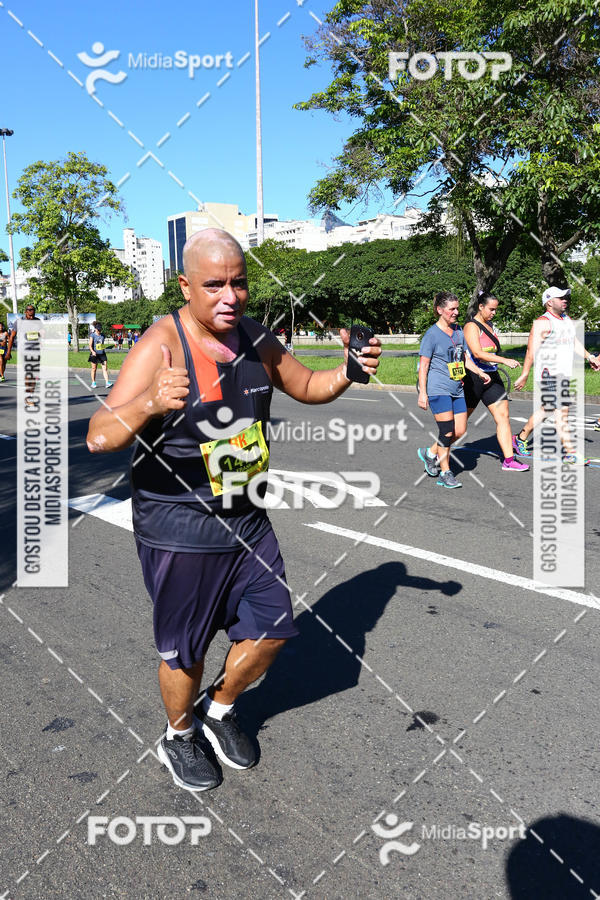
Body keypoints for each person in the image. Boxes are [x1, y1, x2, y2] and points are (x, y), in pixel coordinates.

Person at [86, 228, 381, 793]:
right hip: (179, 525)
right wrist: (149, 402)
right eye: (214, 284)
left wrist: (349, 370)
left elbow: (309, 385)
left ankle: (218, 711)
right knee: (185, 650)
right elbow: (99, 435)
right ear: (186, 286)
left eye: (239, 283)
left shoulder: (255, 337)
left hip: (247, 515)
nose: (229, 296)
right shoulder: (159, 344)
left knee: (273, 631)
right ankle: (178, 733)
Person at [513, 286, 600, 463]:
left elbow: (573, 341)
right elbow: (531, 350)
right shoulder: (543, 322)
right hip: (548, 374)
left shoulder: (566, 319)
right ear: (549, 302)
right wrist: (524, 374)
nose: (565, 299)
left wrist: (589, 356)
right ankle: (570, 452)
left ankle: (520, 438)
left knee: (548, 409)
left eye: (566, 296)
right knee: (562, 411)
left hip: (563, 374)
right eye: (561, 297)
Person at [417, 291, 491, 489]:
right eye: (452, 309)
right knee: (447, 431)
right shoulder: (432, 335)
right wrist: (423, 393)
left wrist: (479, 372)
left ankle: (430, 453)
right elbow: (423, 366)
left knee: (460, 430)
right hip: (438, 389)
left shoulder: (458, 331)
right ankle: (446, 472)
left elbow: (464, 357)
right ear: (440, 310)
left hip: (457, 388)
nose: (456, 312)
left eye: (457, 308)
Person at [463, 292, 529, 472]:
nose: (493, 313)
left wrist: (497, 361)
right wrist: (504, 360)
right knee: (460, 425)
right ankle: (435, 452)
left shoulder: (489, 325)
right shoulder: (471, 326)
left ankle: (509, 460)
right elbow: (477, 353)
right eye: (491, 309)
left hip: (492, 376)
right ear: (481, 307)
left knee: (503, 417)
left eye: (495, 309)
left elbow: (490, 352)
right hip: (474, 378)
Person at [88, 324, 114, 389]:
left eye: (100, 329)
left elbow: (102, 345)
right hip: (95, 354)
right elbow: (90, 345)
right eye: (98, 330)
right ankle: (93, 382)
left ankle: (107, 382)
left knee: (105, 368)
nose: (99, 331)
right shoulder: (92, 335)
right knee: (94, 369)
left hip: (102, 354)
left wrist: (108, 347)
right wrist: (93, 351)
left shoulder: (103, 335)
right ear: (95, 329)